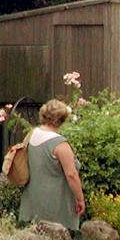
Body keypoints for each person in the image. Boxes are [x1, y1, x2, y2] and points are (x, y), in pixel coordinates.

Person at [18, 99, 85, 232]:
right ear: (62, 119)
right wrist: (80, 199)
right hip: (55, 204)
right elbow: (71, 175)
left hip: (33, 200)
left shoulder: (32, 135)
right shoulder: (60, 144)